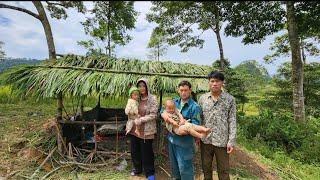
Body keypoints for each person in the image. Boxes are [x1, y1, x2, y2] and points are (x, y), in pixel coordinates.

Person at [198, 71, 237, 180]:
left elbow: (232, 120)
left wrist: (231, 141)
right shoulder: (203, 99)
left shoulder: (230, 99)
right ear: (209, 83)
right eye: (212, 81)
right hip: (206, 140)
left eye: (218, 81)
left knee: (224, 170)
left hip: (222, 141)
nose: (215, 84)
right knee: (206, 167)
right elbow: (199, 118)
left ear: (222, 83)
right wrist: (198, 135)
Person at [161, 80, 201, 180]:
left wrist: (184, 126)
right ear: (178, 90)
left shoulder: (194, 106)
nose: (183, 92)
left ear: (190, 91)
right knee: (174, 168)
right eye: (181, 90)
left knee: (185, 169)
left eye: (186, 90)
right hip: (172, 141)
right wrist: (165, 115)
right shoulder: (174, 102)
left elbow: (196, 123)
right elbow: (162, 110)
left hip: (184, 144)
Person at [127, 78, 158, 180]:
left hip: (147, 131)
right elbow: (130, 109)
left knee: (147, 153)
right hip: (134, 129)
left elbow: (153, 115)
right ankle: (138, 169)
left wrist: (141, 120)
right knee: (135, 151)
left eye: (143, 86)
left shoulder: (152, 98)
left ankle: (149, 172)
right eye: (139, 86)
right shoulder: (136, 98)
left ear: (147, 87)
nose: (141, 88)